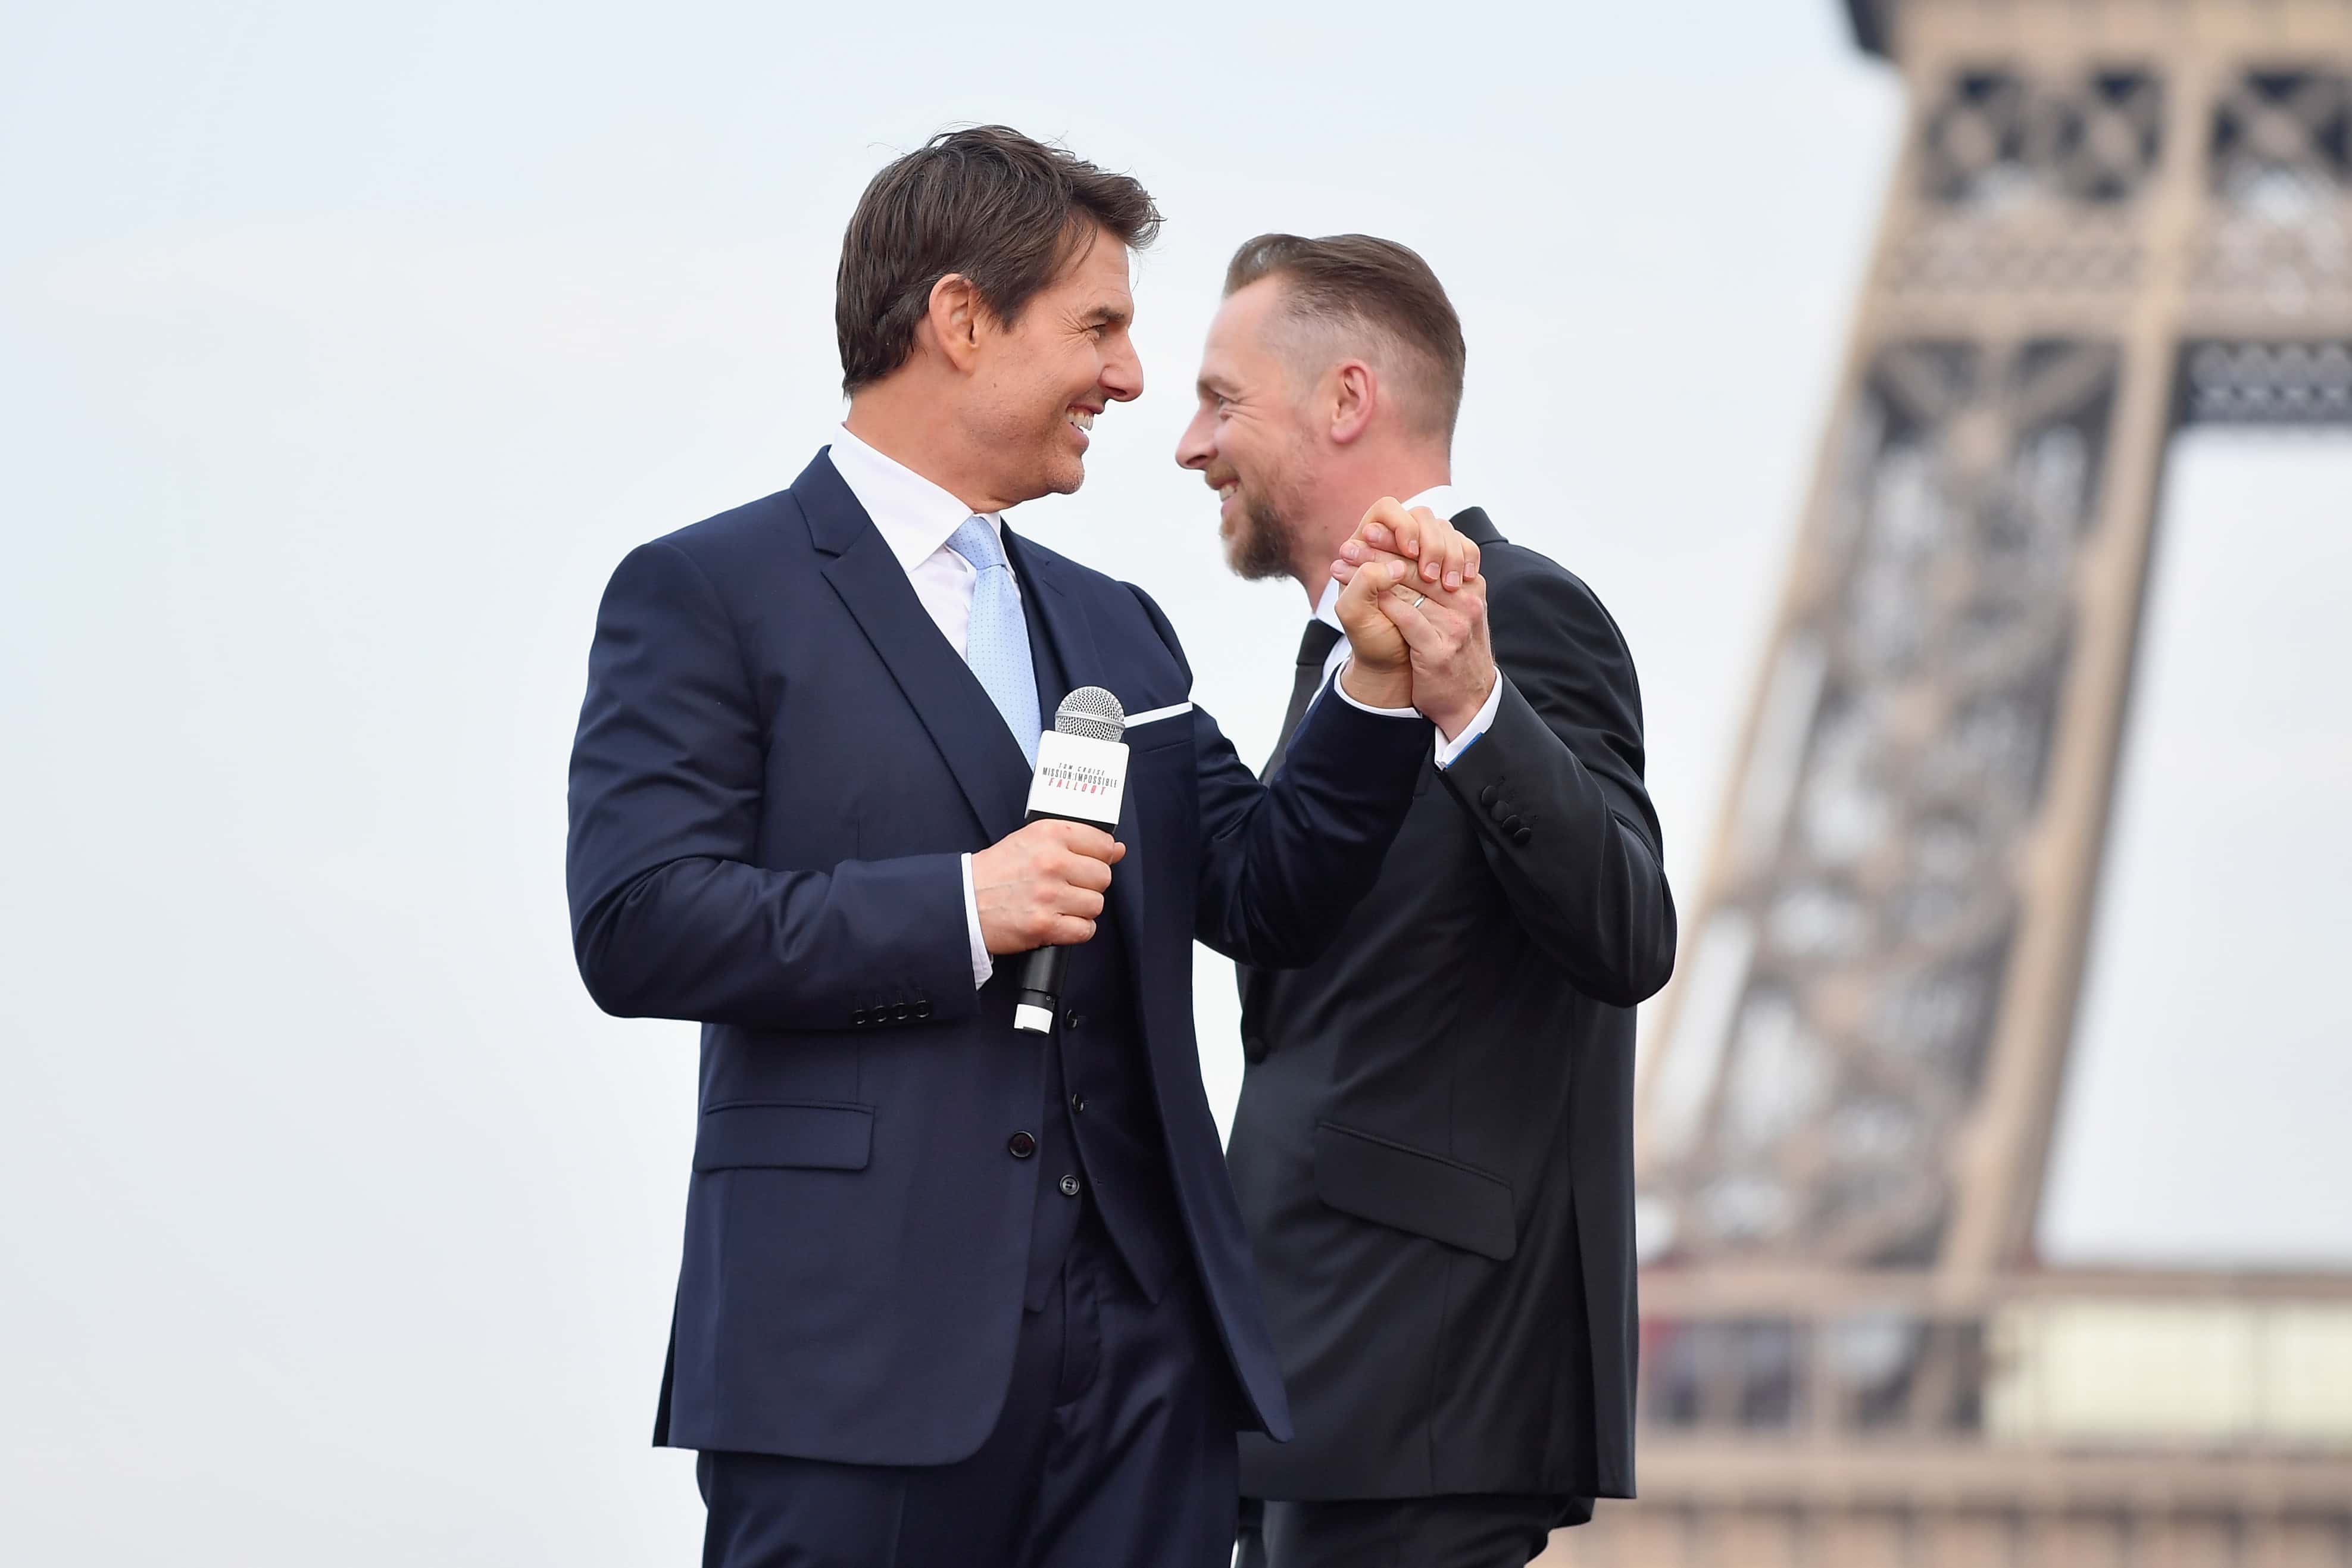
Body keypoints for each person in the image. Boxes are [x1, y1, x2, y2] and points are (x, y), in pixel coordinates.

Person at [564, 132, 1493, 1568]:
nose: (1129, 379)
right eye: (1100, 327)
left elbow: (1259, 888)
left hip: (1143, 1382)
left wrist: (1371, 688)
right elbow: (636, 921)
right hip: (848, 1369)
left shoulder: (1116, 622)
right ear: (959, 320)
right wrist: (959, 905)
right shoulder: (705, 593)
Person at [1176, 233, 1678, 1568]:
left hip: (1429, 1379)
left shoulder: (1522, 615)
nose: (1186, 444)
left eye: (1220, 401)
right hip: (1309, 1378)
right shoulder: (1329, 658)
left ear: (1345, 401)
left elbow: (1627, 929)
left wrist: (1471, 702)